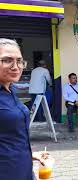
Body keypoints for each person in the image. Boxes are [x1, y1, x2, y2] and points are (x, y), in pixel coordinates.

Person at [0, 38, 48, 179]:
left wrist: (30, 155)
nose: (16, 66)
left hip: (25, 171)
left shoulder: (11, 89)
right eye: (7, 60)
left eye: (20, 61)